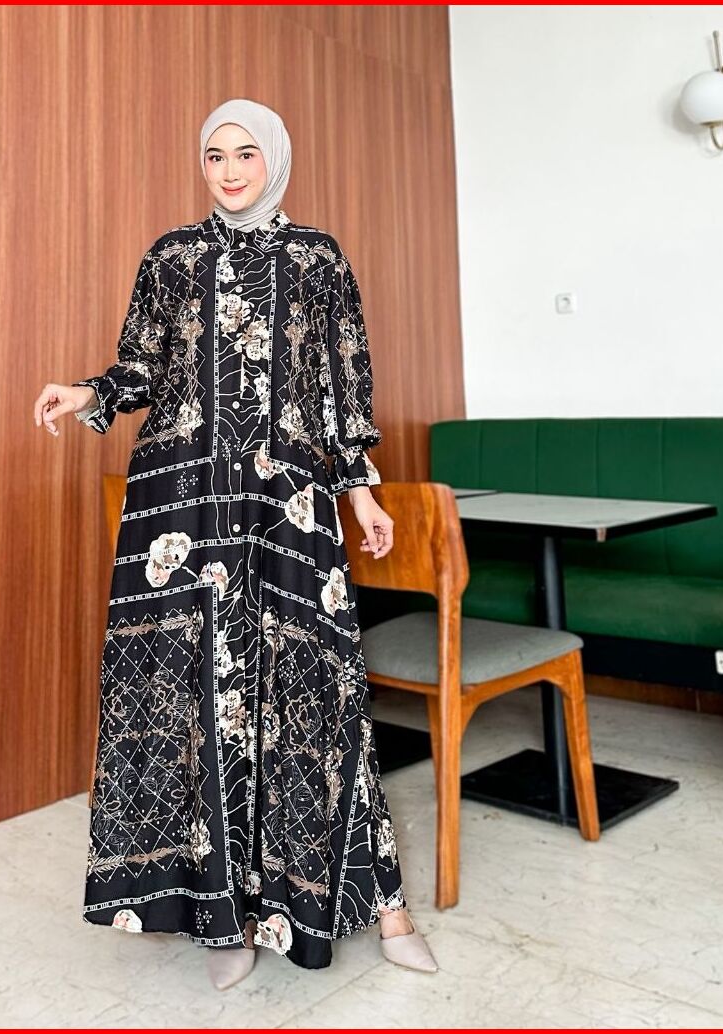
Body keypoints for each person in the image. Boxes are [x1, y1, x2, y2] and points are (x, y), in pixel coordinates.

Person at [33, 98, 438, 990]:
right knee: (198, 692)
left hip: (287, 501)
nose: (228, 170)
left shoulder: (319, 259)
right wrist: (87, 392)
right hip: (179, 505)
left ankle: (381, 904)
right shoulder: (171, 256)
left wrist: (360, 492)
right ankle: (225, 918)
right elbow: (142, 364)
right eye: (214, 155)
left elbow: (341, 386)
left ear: (275, 158)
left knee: (318, 687)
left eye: (246, 153)